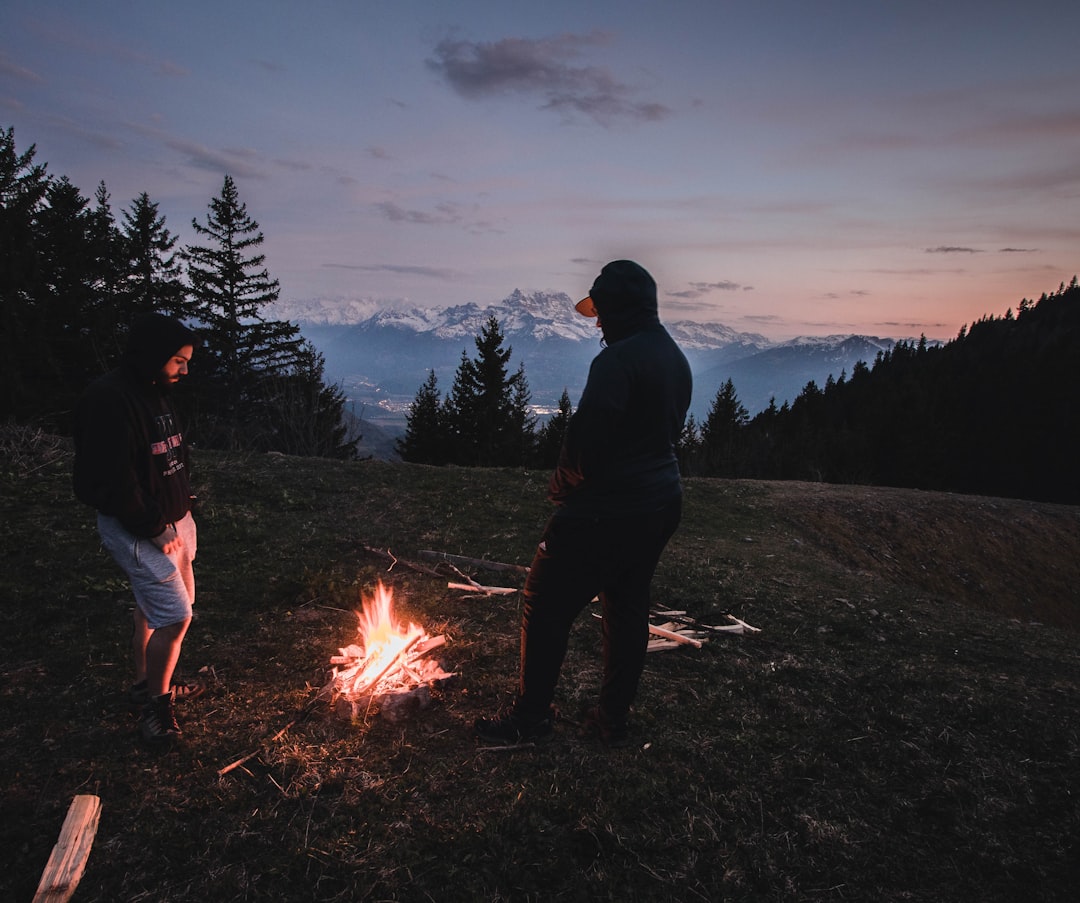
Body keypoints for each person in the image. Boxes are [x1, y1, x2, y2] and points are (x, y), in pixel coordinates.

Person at [475, 260, 692, 747]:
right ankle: (612, 722)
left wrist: (563, 485)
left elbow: (586, 443)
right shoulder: (674, 358)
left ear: (620, 309)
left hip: (606, 510)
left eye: (602, 312)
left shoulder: (616, 361)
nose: (597, 322)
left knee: (544, 600)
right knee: (627, 605)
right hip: (660, 503)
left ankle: (529, 721)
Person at [73, 312, 204, 745]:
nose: (185, 370)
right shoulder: (109, 399)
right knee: (176, 616)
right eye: (178, 361)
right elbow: (111, 479)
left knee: (156, 608)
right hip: (142, 531)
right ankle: (156, 710)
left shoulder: (155, 389)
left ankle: (144, 683)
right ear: (152, 356)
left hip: (171, 520)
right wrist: (153, 526)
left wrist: (182, 506)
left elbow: (160, 457)